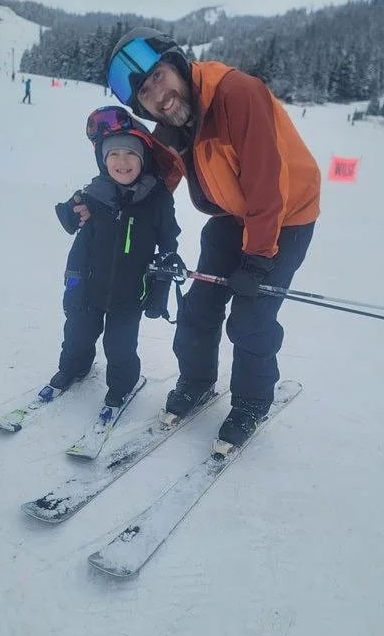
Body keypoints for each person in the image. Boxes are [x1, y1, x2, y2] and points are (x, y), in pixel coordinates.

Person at [103, 28, 318, 444]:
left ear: (179, 64)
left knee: (250, 319)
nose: (159, 95)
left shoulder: (237, 94)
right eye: (146, 93)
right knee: (199, 307)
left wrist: (257, 260)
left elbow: (266, 185)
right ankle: (197, 380)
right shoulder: (173, 125)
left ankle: (252, 401)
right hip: (231, 213)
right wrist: (115, 211)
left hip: (287, 215)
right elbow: (158, 179)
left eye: (160, 77)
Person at [44, 105, 179, 426]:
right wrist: (73, 280)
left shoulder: (157, 199)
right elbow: (76, 228)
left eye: (130, 154)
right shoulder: (95, 195)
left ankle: (122, 385)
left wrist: (162, 284)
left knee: (120, 346)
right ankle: (73, 367)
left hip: (130, 292)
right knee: (77, 333)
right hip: (89, 286)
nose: (122, 161)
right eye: (113, 154)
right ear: (103, 160)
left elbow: (169, 244)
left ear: (143, 158)